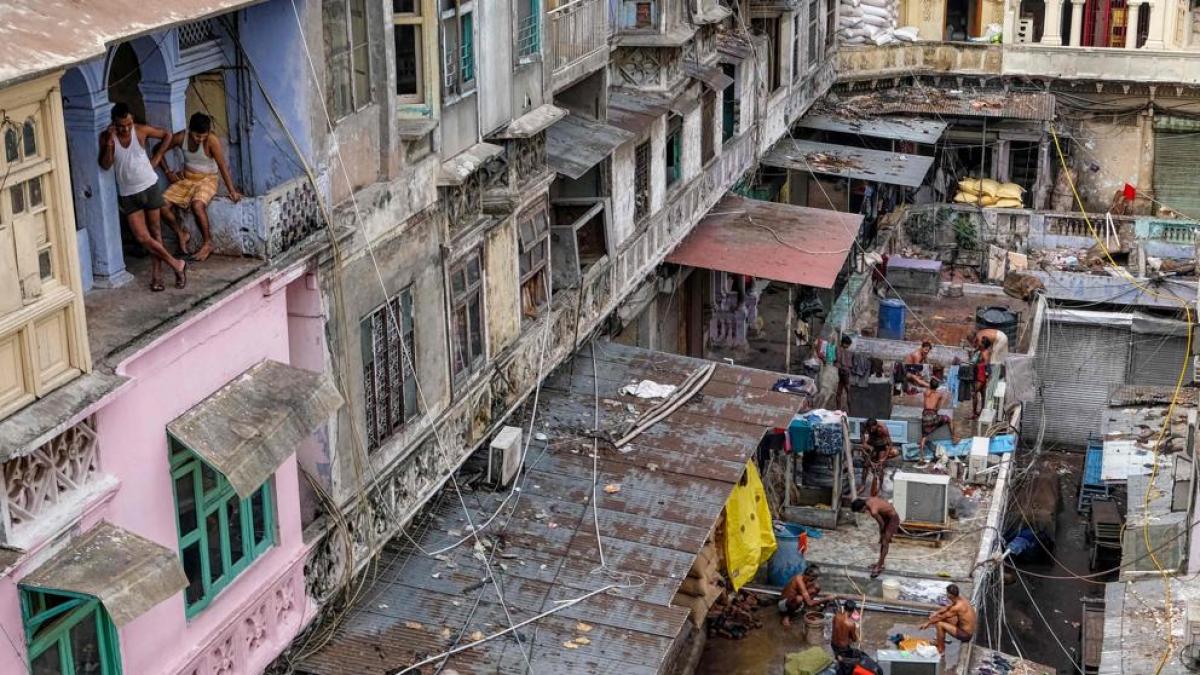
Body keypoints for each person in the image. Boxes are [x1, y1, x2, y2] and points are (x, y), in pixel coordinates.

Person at [99, 102, 187, 291]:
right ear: (113, 123)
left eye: (128, 124)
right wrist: (109, 144)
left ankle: (157, 276)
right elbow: (105, 165)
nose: (125, 129)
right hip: (128, 194)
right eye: (121, 125)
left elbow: (166, 135)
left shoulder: (140, 130)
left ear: (132, 121)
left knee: (156, 232)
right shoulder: (108, 137)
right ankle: (177, 264)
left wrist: (157, 158)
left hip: (149, 186)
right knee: (142, 237)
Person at [159, 113, 242, 262]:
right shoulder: (181, 138)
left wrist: (232, 191)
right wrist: (168, 172)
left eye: (204, 136)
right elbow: (158, 150)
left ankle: (208, 243)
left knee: (197, 205)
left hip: (208, 180)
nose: (201, 139)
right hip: (187, 179)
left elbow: (222, 166)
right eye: (198, 136)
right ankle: (181, 233)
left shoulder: (211, 140)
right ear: (190, 130)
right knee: (161, 205)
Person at [919, 584, 976, 655]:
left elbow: (942, 617)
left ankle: (941, 650)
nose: (946, 594)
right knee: (941, 618)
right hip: (964, 627)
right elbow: (948, 607)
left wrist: (928, 623)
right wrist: (937, 613)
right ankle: (938, 641)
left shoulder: (958, 607)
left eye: (947, 593)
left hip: (965, 634)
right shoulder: (961, 599)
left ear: (950, 595)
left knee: (939, 624)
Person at [851, 497, 900, 578]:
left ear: (863, 507)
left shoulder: (873, 511)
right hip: (886, 517)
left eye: (860, 511)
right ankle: (881, 563)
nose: (861, 513)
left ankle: (879, 567)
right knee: (883, 541)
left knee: (885, 542)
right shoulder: (868, 500)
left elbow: (881, 524)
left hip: (893, 518)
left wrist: (882, 534)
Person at [918, 378, 955, 460]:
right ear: (937, 387)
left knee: (924, 436)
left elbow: (925, 401)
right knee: (949, 419)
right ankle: (954, 437)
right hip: (933, 415)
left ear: (930, 385)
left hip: (925, 415)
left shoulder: (925, 392)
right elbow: (937, 408)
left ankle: (921, 455)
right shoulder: (939, 395)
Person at [859, 418, 895, 497]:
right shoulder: (864, 424)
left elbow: (889, 445)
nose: (871, 431)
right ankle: (862, 485)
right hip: (871, 445)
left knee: (880, 467)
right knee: (866, 465)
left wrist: (884, 458)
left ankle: (880, 487)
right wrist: (864, 443)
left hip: (882, 446)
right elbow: (862, 434)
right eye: (869, 429)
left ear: (876, 426)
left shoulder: (883, 428)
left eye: (873, 429)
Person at [971, 337, 991, 419]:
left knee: (974, 393)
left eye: (980, 343)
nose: (979, 344)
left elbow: (986, 364)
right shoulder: (981, 351)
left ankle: (974, 413)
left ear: (983, 344)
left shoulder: (984, 352)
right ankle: (981, 412)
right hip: (981, 375)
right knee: (983, 394)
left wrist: (977, 365)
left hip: (981, 375)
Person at [836, 335, 854, 412]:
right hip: (845, 372)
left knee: (839, 392)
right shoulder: (843, 351)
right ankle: (850, 410)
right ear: (844, 343)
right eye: (848, 344)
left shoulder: (838, 349)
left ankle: (838, 409)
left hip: (841, 372)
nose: (848, 346)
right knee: (848, 392)